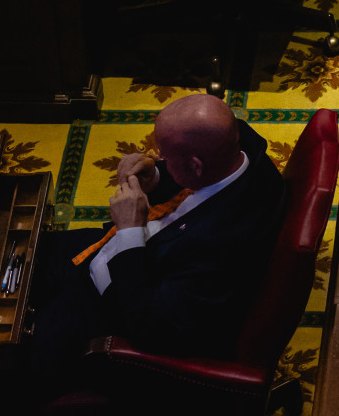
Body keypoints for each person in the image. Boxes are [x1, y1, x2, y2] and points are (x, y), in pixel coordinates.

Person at [23, 93, 282, 372]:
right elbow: (198, 173)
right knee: (27, 248)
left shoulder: (222, 247)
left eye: (164, 156)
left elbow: (150, 324)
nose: (157, 157)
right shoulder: (240, 147)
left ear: (195, 165)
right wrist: (157, 176)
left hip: (113, 301)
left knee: (20, 354)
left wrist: (130, 230)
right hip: (114, 249)